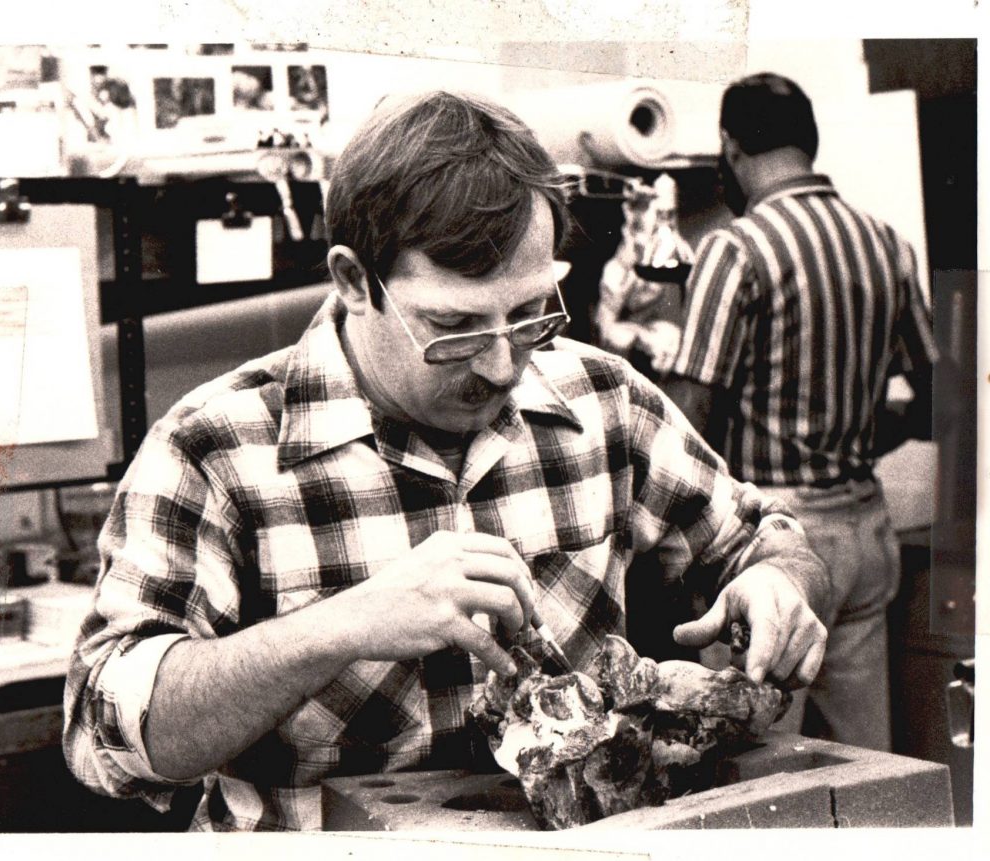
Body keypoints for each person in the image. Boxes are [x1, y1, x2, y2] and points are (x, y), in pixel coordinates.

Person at [64, 90, 830, 832]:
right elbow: (106, 736)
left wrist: (779, 580)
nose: (503, 366)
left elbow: (762, 536)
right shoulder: (214, 449)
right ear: (353, 279)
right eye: (454, 327)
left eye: (531, 313)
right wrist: (343, 625)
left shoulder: (604, 401)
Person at [665, 73, 939, 752]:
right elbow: (936, 394)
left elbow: (690, 415)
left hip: (776, 540)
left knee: (742, 753)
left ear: (729, 147)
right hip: (865, 524)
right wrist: (849, 441)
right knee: (864, 755)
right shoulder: (885, 242)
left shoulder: (736, 247)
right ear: (808, 143)